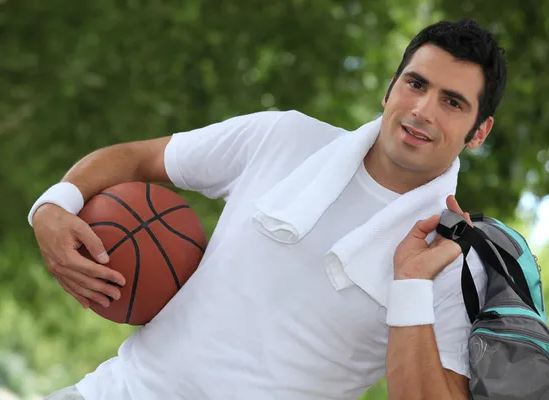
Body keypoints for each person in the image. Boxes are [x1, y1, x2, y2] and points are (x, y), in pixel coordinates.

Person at [30, 18, 507, 400]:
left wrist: (411, 285)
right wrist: (55, 204)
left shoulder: (451, 256)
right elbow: (141, 157)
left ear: (479, 132)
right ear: (389, 89)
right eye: (415, 84)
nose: (423, 109)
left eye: (452, 102)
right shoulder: (285, 137)